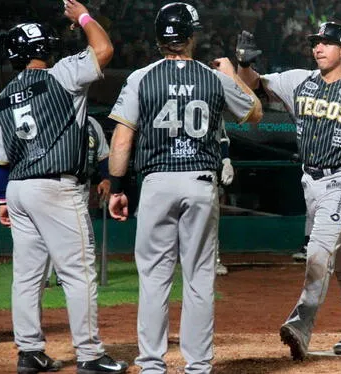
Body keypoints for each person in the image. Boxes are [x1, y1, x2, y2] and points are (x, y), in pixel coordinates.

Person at [235, 22, 341, 359]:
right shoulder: (297, 80)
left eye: (327, 43)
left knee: (318, 250)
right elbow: (252, 85)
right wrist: (244, 64)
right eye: (316, 42)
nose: (319, 48)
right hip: (311, 182)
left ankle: (301, 324)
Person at [107, 3, 262, 373]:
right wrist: (233, 73)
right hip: (199, 182)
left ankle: (152, 364)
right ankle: (197, 366)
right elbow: (255, 112)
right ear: (193, 35)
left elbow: (122, 140)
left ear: (160, 37)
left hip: (157, 181)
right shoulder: (214, 78)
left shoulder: (142, 77)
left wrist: (117, 186)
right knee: (198, 277)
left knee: (154, 277)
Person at [0, 1, 128, 373]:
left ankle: (29, 352)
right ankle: (91, 356)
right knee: (78, 272)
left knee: (27, 276)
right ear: (44, 49)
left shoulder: (0, 100)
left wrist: (1, 200)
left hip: (17, 190)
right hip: (56, 188)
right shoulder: (62, 74)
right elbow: (104, 50)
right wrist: (84, 17)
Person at [45, 115, 111, 288]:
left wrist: (106, 178)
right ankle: (42, 275)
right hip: (48, 182)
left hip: (80, 184)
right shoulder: (50, 115)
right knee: (46, 229)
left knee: (74, 232)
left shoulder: (92, 123)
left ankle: (64, 274)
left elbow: (103, 155)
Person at [216, 120, 234, 276]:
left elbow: (222, 139)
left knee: (209, 223)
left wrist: (226, 162)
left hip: (206, 169)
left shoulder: (212, 103)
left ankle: (213, 260)